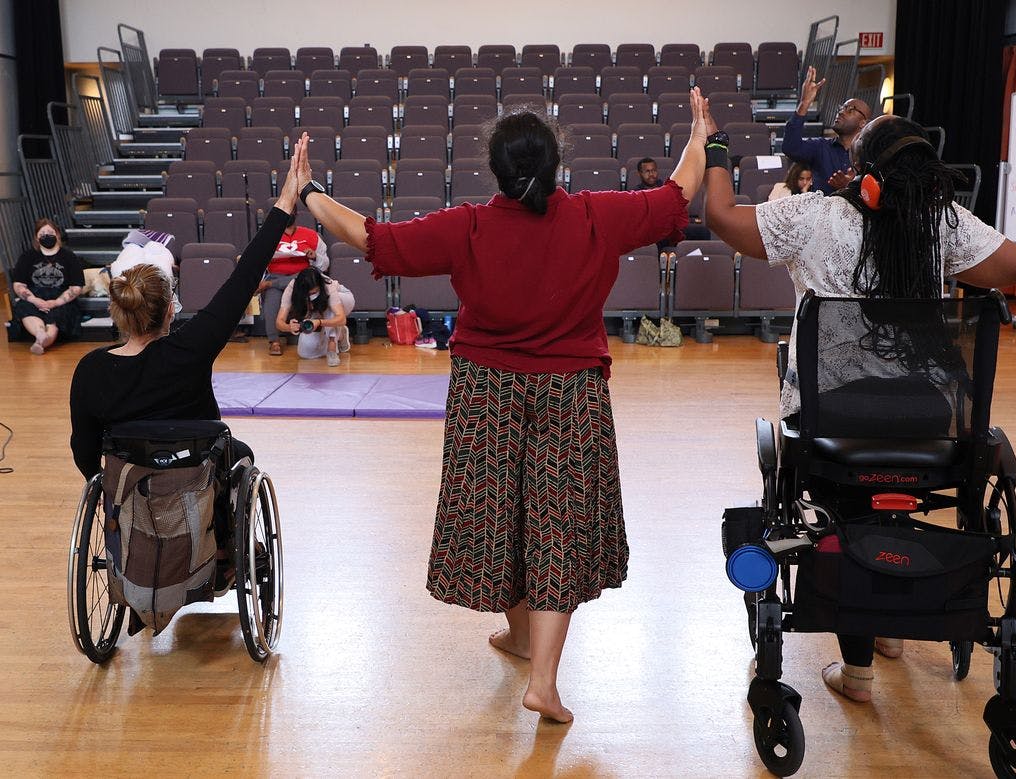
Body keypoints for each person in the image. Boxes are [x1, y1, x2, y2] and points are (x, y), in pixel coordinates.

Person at [701, 104, 1016, 704]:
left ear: (863, 171)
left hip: (832, 421)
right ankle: (894, 626)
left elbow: (719, 214)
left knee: (844, 512)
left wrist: (714, 145)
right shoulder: (942, 224)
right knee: (893, 508)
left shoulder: (811, 217)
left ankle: (860, 672)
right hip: (930, 419)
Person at [291, 88, 709, 723]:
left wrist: (310, 190)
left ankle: (523, 643)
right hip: (570, 392)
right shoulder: (597, 216)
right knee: (555, 526)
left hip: (488, 392)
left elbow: (375, 239)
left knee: (502, 517)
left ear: (496, 170)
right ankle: (539, 673)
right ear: (556, 163)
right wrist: (700, 134)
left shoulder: (471, 226)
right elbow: (679, 191)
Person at [69, 143, 305, 586]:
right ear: (171, 309)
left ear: (118, 312)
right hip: (195, 478)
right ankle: (221, 548)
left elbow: (85, 453)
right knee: (240, 456)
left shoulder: (90, 370)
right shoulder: (190, 349)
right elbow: (244, 276)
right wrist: (284, 203)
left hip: (132, 493)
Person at [781, 67, 871, 195]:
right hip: (822, 213)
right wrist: (805, 103)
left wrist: (850, 187)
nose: (841, 112)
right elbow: (790, 147)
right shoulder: (821, 147)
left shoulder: (869, 154)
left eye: (850, 109)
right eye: (841, 108)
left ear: (863, 123)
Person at [260, 207, 328, 355]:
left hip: (301, 278)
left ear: (296, 214)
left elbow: (324, 265)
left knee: (294, 282)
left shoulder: (311, 235)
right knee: (271, 298)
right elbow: (257, 262)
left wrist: (314, 256)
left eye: (290, 212)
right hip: (276, 276)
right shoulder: (268, 236)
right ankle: (274, 341)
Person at [10, 219, 85, 355]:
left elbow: (76, 287)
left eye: (50, 232)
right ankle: (39, 334)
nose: (46, 235)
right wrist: (34, 300)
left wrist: (56, 302)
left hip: (61, 298)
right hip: (34, 296)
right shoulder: (27, 256)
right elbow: (18, 284)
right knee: (24, 308)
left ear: (57, 234)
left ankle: (44, 340)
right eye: (42, 233)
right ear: (36, 237)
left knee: (57, 315)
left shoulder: (69, 257)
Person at [275, 266, 354, 366]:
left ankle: (332, 345)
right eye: (308, 294)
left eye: (314, 292)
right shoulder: (291, 288)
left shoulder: (327, 285)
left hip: (343, 299)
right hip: (317, 310)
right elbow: (279, 322)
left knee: (330, 306)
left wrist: (319, 322)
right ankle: (341, 333)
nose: (312, 295)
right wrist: (288, 327)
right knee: (304, 353)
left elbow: (342, 319)